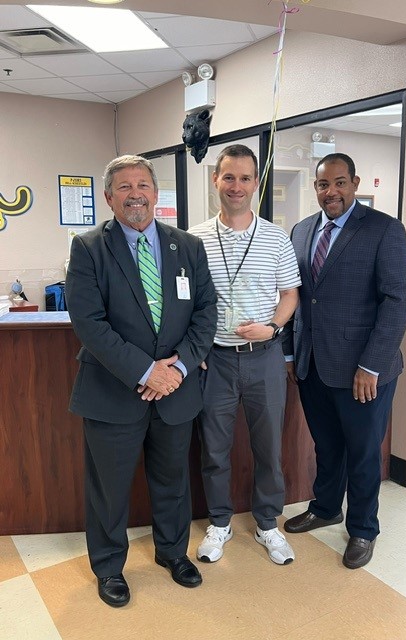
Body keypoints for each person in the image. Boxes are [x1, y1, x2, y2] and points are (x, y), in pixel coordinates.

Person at [65, 155, 217, 607]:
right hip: (113, 393)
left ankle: (173, 553)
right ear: (109, 197)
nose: (136, 194)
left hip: (176, 391)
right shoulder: (89, 247)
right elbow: (89, 323)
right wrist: (147, 370)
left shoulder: (186, 246)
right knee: (108, 488)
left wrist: (177, 369)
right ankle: (109, 566)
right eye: (125, 186)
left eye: (144, 185)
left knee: (172, 479)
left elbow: (206, 313)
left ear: (156, 193)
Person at [284, 153, 406, 569]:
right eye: (323, 185)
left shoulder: (384, 230)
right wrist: (290, 351)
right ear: (315, 187)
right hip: (313, 364)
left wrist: (371, 365)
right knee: (327, 445)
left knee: (361, 452)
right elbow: (295, 296)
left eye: (339, 183)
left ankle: (362, 529)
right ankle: (325, 508)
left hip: (363, 372)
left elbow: (397, 302)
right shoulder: (302, 231)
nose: (331, 192)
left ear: (354, 183)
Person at [188, 144, 301, 566]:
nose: (237, 186)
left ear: (257, 183)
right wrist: (194, 346)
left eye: (245, 178)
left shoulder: (275, 236)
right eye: (229, 177)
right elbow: (189, 301)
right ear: (215, 180)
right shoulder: (194, 238)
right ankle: (220, 523)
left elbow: (290, 293)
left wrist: (272, 326)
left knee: (268, 446)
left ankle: (268, 524)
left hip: (264, 356)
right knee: (214, 448)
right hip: (214, 359)